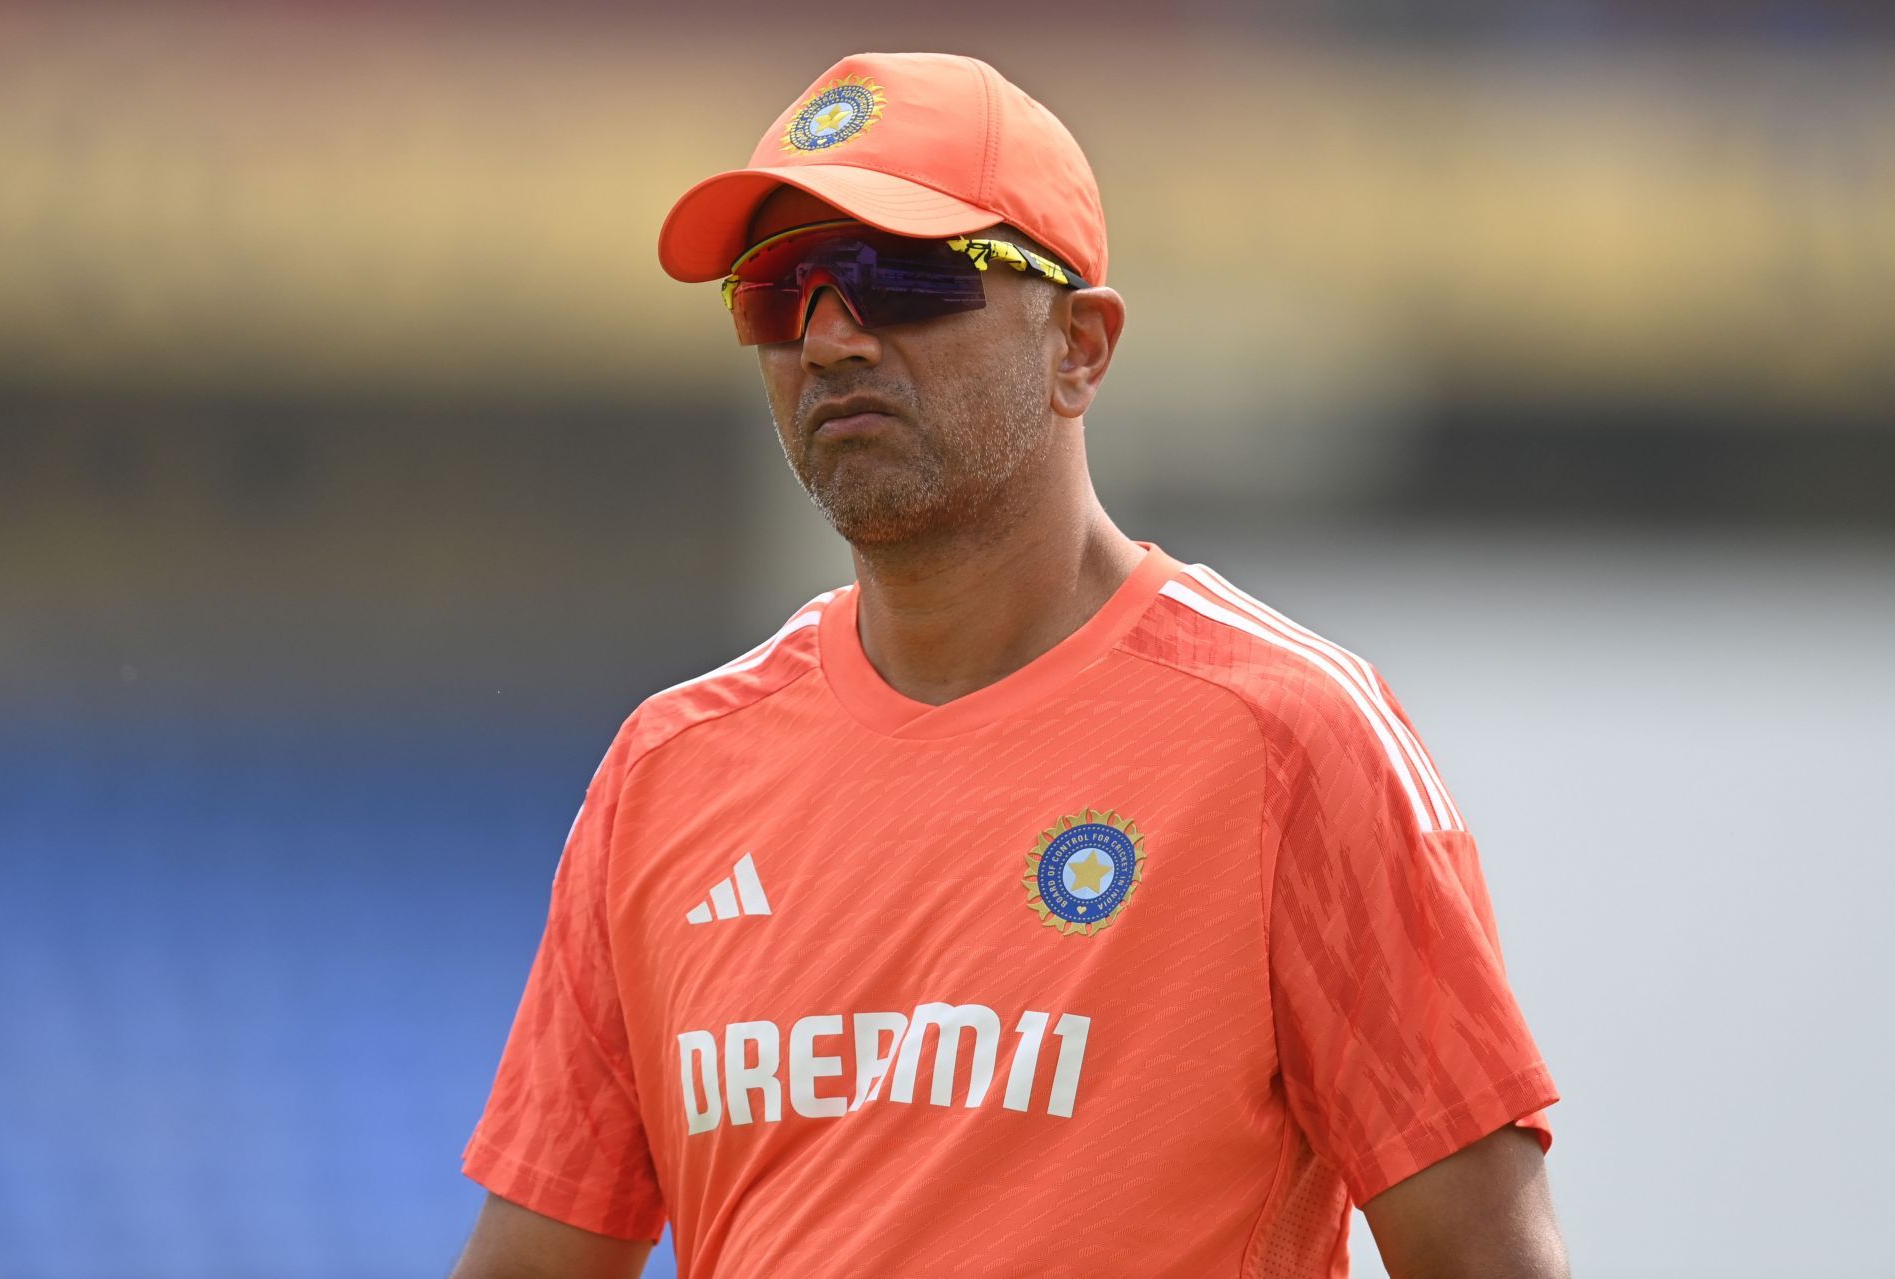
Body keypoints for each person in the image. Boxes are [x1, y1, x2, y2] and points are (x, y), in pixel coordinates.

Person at [450, 51, 1569, 1279]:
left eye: (902, 277)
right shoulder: (668, 771)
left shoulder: (1289, 738)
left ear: (1079, 347)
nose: (829, 341)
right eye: (781, 292)